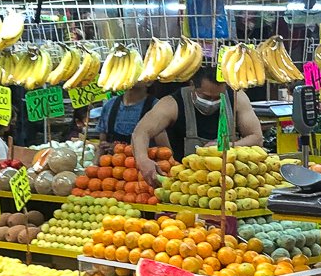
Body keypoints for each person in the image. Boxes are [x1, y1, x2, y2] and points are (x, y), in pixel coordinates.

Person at [130, 65, 262, 186]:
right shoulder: (172, 104)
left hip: (232, 184)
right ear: (192, 85)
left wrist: (227, 146)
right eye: (206, 96)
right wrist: (142, 160)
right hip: (188, 186)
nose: (212, 102)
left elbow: (256, 137)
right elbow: (141, 132)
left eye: (218, 97)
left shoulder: (237, 98)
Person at [97, 82, 157, 147]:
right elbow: (102, 144)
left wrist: (119, 149)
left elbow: (163, 150)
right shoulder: (110, 105)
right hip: (112, 157)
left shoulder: (156, 107)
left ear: (149, 82)